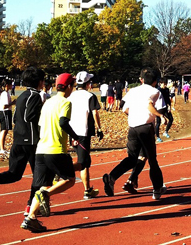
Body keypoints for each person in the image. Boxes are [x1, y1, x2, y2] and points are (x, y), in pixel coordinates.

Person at [0, 67, 45, 217]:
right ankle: (30, 207)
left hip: (18, 140)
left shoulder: (21, 96)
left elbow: (15, 119)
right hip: (32, 141)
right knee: (38, 176)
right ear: (40, 82)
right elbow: (29, 117)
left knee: (14, 174)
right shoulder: (35, 96)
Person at [20, 73, 82, 232]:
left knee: (42, 185)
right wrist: (75, 137)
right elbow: (63, 122)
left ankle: (30, 218)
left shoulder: (47, 102)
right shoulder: (65, 102)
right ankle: (46, 195)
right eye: (72, 86)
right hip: (56, 150)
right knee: (69, 179)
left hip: (41, 150)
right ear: (68, 87)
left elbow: (41, 125)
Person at [102, 68, 167, 201]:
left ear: (142, 79)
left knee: (132, 158)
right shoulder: (155, 92)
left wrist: (134, 114)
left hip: (132, 127)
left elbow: (124, 108)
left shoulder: (133, 91)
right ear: (155, 81)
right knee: (152, 160)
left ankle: (112, 177)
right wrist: (161, 115)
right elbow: (151, 106)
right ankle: (157, 189)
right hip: (146, 127)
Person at [68, 71, 104, 199]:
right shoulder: (90, 96)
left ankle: (87, 189)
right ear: (88, 83)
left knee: (84, 161)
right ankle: (61, 171)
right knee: (83, 162)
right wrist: (99, 128)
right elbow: (95, 113)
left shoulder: (70, 96)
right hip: (83, 132)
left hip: (71, 131)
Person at [0, 79, 16, 155]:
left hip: (5, 112)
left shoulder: (6, 93)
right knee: (4, 130)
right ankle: (2, 148)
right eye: (10, 84)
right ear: (6, 85)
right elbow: (5, 106)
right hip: (5, 112)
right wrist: (13, 103)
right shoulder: (5, 93)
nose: (12, 86)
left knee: (3, 130)